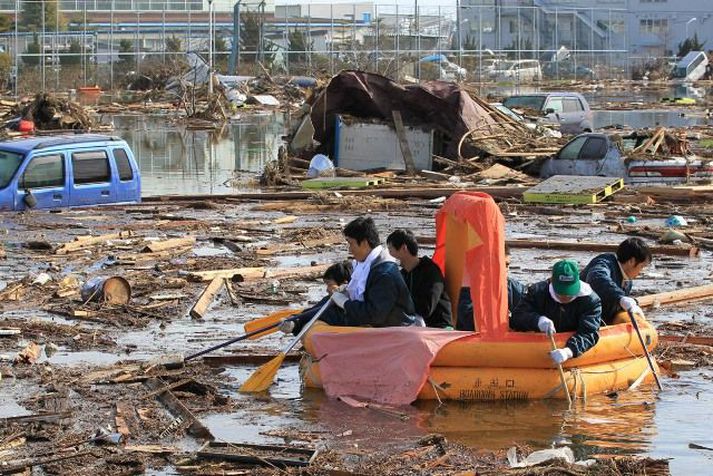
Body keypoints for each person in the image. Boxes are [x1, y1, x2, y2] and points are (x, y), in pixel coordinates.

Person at [283, 217, 416, 334]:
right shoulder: (366, 264)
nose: (349, 249)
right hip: (375, 318)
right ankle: (296, 321)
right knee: (328, 302)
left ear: (364, 243)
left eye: (351, 243)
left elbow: (374, 315)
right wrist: (342, 295)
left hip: (392, 326)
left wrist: (345, 303)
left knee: (331, 313)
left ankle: (298, 323)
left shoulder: (384, 273)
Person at [510, 259, 602, 365]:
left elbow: (589, 332)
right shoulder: (537, 292)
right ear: (552, 281)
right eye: (561, 292)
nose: (566, 296)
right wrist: (538, 321)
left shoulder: (590, 300)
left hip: (569, 346)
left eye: (569, 292)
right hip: (538, 347)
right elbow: (517, 317)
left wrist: (569, 351)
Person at [386, 229, 452, 329]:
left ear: (404, 248)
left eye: (391, 250)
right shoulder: (403, 274)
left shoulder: (430, 271)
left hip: (439, 327)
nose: (389, 254)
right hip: (414, 327)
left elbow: (426, 309)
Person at [580, 237, 652, 324]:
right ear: (632, 261)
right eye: (642, 266)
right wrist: (621, 298)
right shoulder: (605, 263)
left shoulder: (627, 281)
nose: (641, 271)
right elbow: (597, 278)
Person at [455, 243, 526, 331]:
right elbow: (468, 320)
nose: (505, 270)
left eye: (507, 265)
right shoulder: (469, 288)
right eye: (500, 265)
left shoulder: (515, 288)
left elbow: (529, 309)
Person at [280, 261, 352, 335]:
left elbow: (323, 313)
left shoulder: (355, 305)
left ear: (344, 285)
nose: (327, 290)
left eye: (329, 284)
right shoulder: (329, 300)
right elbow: (312, 312)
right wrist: (294, 322)